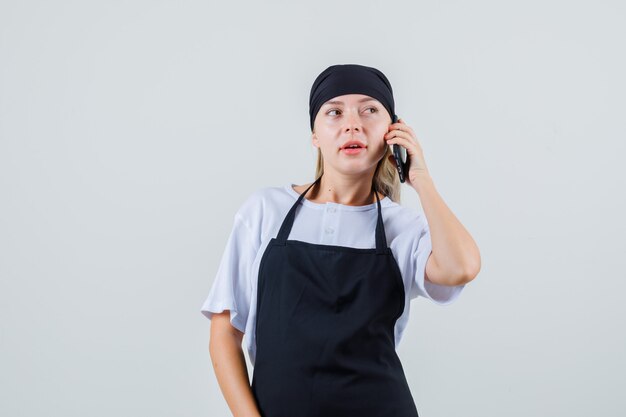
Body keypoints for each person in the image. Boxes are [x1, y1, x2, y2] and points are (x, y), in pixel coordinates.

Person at [201, 63, 481, 417]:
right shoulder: (265, 210)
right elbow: (224, 334)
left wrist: (420, 178)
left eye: (370, 111)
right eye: (334, 112)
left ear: (392, 131)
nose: (353, 123)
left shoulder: (401, 226)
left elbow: (462, 267)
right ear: (315, 135)